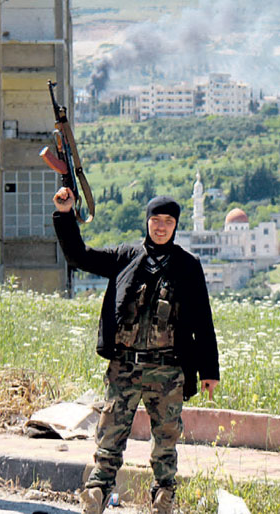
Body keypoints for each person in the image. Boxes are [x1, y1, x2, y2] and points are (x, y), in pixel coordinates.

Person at [52, 187, 220, 514]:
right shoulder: (125, 258)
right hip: (125, 368)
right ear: (147, 222)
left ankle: (163, 502)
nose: (160, 227)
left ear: (175, 226)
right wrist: (64, 214)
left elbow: (203, 319)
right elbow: (79, 256)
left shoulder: (188, 266)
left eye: (168, 222)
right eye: (155, 220)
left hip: (168, 371)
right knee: (108, 442)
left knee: (166, 445)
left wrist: (209, 372)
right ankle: (95, 498)